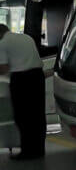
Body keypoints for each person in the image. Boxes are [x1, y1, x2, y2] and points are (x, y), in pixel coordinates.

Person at [0, 23, 45, 159]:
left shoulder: (3, 43)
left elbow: (4, 69)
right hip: (37, 77)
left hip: (21, 80)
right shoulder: (26, 37)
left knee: (23, 116)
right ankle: (39, 150)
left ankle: (27, 152)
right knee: (37, 115)